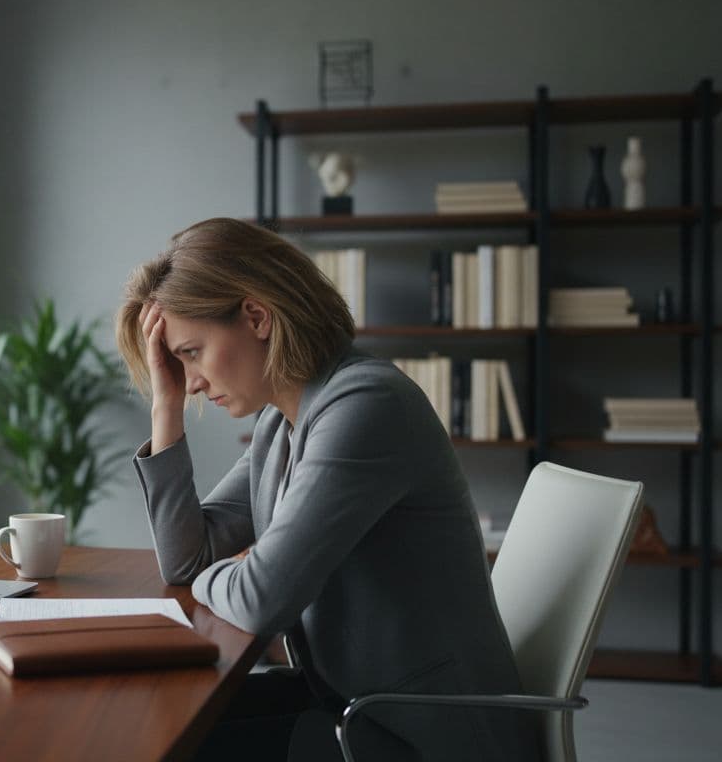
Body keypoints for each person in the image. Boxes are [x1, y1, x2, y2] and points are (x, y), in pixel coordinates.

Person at [114, 218, 541, 762]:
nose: (191, 381)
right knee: (162, 723)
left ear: (257, 317)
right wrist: (166, 407)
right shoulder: (282, 423)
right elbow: (186, 559)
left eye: (192, 352)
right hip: (351, 703)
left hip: (423, 733)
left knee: (174, 743)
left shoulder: (366, 407)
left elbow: (258, 599)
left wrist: (218, 576)